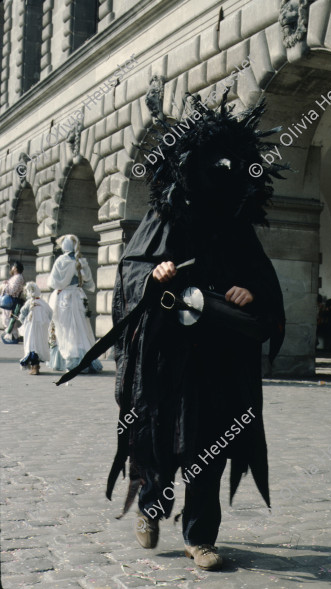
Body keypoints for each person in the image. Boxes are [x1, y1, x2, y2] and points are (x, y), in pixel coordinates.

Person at [56, 95, 286, 571]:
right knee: (160, 441)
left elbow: (263, 281)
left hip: (220, 355)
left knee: (211, 445)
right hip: (168, 356)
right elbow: (128, 273)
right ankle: (151, 507)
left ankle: (200, 536)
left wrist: (250, 293)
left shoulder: (238, 227)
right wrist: (154, 276)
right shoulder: (164, 216)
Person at [47, 234, 102, 373]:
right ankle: (85, 359)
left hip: (64, 297)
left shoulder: (61, 260)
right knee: (81, 329)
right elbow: (88, 280)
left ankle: (67, 360)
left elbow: (53, 282)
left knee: (64, 329)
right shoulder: (81, 261)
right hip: (78, 296)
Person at [18, 282, 52, 375]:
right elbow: (50, 313)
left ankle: (34, 367)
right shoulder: (43, 303)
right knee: (39, 345)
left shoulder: (29, 303)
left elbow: (22, 313)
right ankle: (36, 366)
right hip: (41, 329)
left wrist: (22, 321)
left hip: (31, 329)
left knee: (31, 345)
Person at [1, 261, 25, 344]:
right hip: (10, 300)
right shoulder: (16, 277)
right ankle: (11, 336)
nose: (11, 268)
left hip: (12, 301)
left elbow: (12, 290)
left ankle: (12, 337)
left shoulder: (18, 277)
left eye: (12, 267)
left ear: (15, 268)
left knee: (9, 319)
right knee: (8, 318)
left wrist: (4, 285)